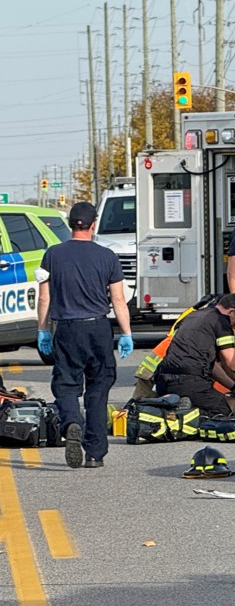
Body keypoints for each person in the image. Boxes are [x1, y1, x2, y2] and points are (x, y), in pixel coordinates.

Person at [36, 201, 133, 469]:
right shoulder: (107, 256)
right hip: (98, 328)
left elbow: (45, 297)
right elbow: (118, 300)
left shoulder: (52, 255)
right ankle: (95, 452)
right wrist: (126, 333)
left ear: (70, 225)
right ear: (93, 225)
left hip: (67, 328)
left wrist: (43, 330)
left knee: (66, 384)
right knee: (98, 388)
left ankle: (72, 423)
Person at [132, 298, 235, 400]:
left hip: (162, 370)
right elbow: (233, 366)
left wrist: (234, 388)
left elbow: (212, 366)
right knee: (141, 413)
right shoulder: (221, 328)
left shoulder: (204, 319)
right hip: (155, 371)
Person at [155, 293, 235, 417]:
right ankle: (181, 413)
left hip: (164, 381)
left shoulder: (194, 315)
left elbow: (210, 365)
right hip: (188, 382)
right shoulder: (221, 321)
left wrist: (234, 388)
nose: (234, 327)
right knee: (222, 411)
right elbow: (234, 364)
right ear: (232, 311)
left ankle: (173, 410)